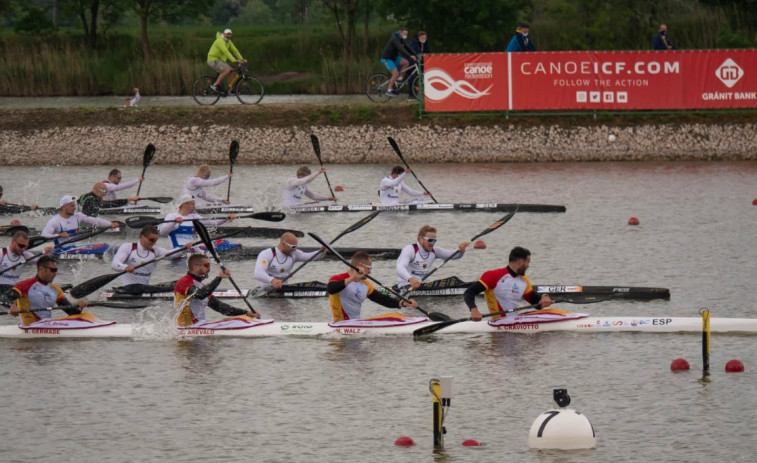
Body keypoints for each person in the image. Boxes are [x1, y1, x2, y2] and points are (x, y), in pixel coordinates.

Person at [463, 246, 552, 321]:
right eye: (527, 262)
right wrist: (474, 309)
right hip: (499, 323)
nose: (528, 266)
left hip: (515, 322)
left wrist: (544, 297)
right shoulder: (493, 276)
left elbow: (536, 303)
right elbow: (469, 292)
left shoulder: (524, 281)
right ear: (520, 262)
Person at [328, 251, 418, 322]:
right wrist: (353, 278)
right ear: (360, 266)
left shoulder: (366, 284)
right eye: (369, 268)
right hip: (340, 324)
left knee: (395, 316)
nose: (370, 272)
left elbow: (382, 299)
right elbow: (331, 289)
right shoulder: (337, 278)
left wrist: (402, 303)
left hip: (356, 323)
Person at [174, 254, 258, 327]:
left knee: (241, 319)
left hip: (200, 325)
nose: (209, 268)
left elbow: (220, 307)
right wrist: (219, 277)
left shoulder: (202, 285)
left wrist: (246, 313)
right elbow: (200, 294)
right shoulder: (183, 282)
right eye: (206, 265)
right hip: (188, 327)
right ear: (195, 267)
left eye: (210, 265)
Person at [111, 225, 191, 295]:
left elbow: (171, 254)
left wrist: (184, 249)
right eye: (151, 240)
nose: (154, 243)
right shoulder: (128, 247)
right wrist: (124, 267)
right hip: (129, 287)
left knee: (179, 283)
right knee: (141, 287)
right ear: (142, 237)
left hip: (144, 288)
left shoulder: (156, 251)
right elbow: (115, 264)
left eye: (155, 241)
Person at [8, 256, 87, 326]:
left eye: (56, 270)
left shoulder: (56, 290)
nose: (55, 273)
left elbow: (71, 312)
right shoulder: (24, 285)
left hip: (47, 327)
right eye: (53, 270)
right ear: (41, 269)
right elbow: (6, 296)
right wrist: (13, 305)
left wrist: (78, 308)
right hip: (29, 327)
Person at [396, 225, 468, 290]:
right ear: (421, 239)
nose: (432, 243)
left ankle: (469, 287)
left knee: (453, 280)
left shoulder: (434, 251)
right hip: (407, 285)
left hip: (422, 285)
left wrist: (461, 250)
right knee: (452, 281)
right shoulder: (410, 249)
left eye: (434, 240)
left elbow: (454, 255)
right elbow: (400, 267)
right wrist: (410, 279)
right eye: (430, 240)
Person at [158, 194, 236, 248]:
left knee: (221, 242)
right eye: (192, 204)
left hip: (191, 247)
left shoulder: (193, 217)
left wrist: (226, 218)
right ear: (184, 204)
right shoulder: (172, 216)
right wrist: (174, 222)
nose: (194, 207)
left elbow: (212, 222)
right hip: (178, 249)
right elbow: (162, 232)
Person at [254, 232, 324, 289]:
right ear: (283, 244)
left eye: (296, 247)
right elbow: (258, 273)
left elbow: (312, 257)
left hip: (283, 290)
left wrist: (323, 250)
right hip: (267, 290)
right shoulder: (267, 254)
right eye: (293, 247)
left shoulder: (294, 253)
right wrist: (272, 280)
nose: (295, 249)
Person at [41, 195, 119, 244]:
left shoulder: (78, 216)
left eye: (74, 205)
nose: (75, 208)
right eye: (72, 206)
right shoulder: (55, 221)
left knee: (104, 246)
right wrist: (58, 235)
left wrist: (110, 224)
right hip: (61, 250)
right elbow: (44, 236)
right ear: (64, 206)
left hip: (74, 248)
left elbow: (96, 221)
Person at [0, 231, 51, 303]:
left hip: (13, 289)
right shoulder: (2, 253)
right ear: (13, 242)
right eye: (21, 246)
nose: (23, 249)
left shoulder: (25, 255)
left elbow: (43, 263)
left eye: (25, 246)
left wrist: (45, 253)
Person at [206, 28, 246, 93]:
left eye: (230, 34)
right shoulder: (220, 41)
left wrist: (241, 59)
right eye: (227, 34)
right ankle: (215, 85)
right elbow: (225, 51)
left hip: (219, 60)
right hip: (213, 60)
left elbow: (235, 50)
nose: (229, 36)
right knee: (227, 69)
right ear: (224, 34)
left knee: (231, 71)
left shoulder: (228, 42)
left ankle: (229, 89)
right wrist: (234, 60)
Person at [380, 27, 416, 98]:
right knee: (395, 73)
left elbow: (407, 47)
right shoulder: (395, 38)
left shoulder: (401, 38)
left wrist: (415, 54)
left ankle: (399, 79)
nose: (405, 35)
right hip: (386, 59)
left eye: (406, 34)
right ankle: (389, 90)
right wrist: (410, 55)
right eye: (404, 34)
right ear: (400, 32)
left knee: (406, 63)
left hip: (394, 58)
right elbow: (401, 48)